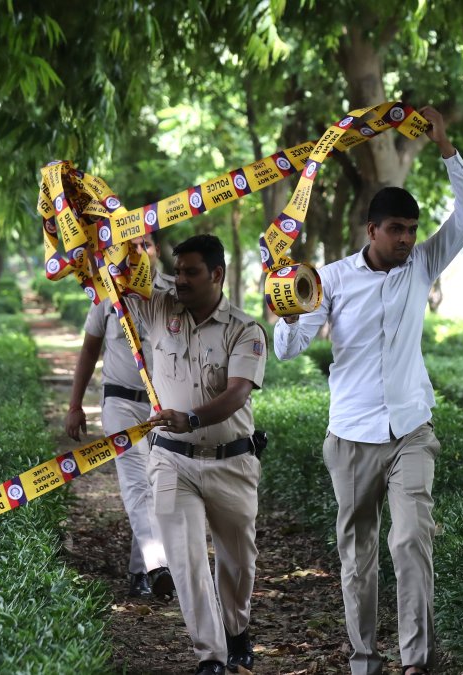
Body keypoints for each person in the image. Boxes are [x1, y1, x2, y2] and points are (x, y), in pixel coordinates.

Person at [273, 106, 463, 675]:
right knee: (357, 555)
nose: (407, 240)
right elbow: (286, 350)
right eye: (397, 230)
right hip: (350, 436)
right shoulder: (332, 279)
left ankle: (416, 661)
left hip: (411, 430)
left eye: (413, 231)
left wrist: (446, 147)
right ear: (372, 230)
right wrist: (287, 307)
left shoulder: (422, 265)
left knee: (410, 539)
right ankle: (364, 658)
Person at [135, 234, 267, 675]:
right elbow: (119, 276)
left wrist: (189, 418)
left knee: (237, 560)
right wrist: (128, 244)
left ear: (217, 274)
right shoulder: (158, 310)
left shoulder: (245, 330)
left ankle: (236, 628)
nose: (180, 281)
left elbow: (236, 394)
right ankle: (210, 655)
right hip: (172, 460)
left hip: (232, 461)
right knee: (185, 558)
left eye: (191, 272)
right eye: (177, 272)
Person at [64, 234, 175, 599]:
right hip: (120, 404)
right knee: (136, 484)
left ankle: (138, 571)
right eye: (133, 244)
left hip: (164, 409)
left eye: (146, 244)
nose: (139, 250)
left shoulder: (173, 294)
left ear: (157, 250)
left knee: (160, 489)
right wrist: (75, 404)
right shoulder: (106, 293)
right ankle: (159, 565)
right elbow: (89, 350)